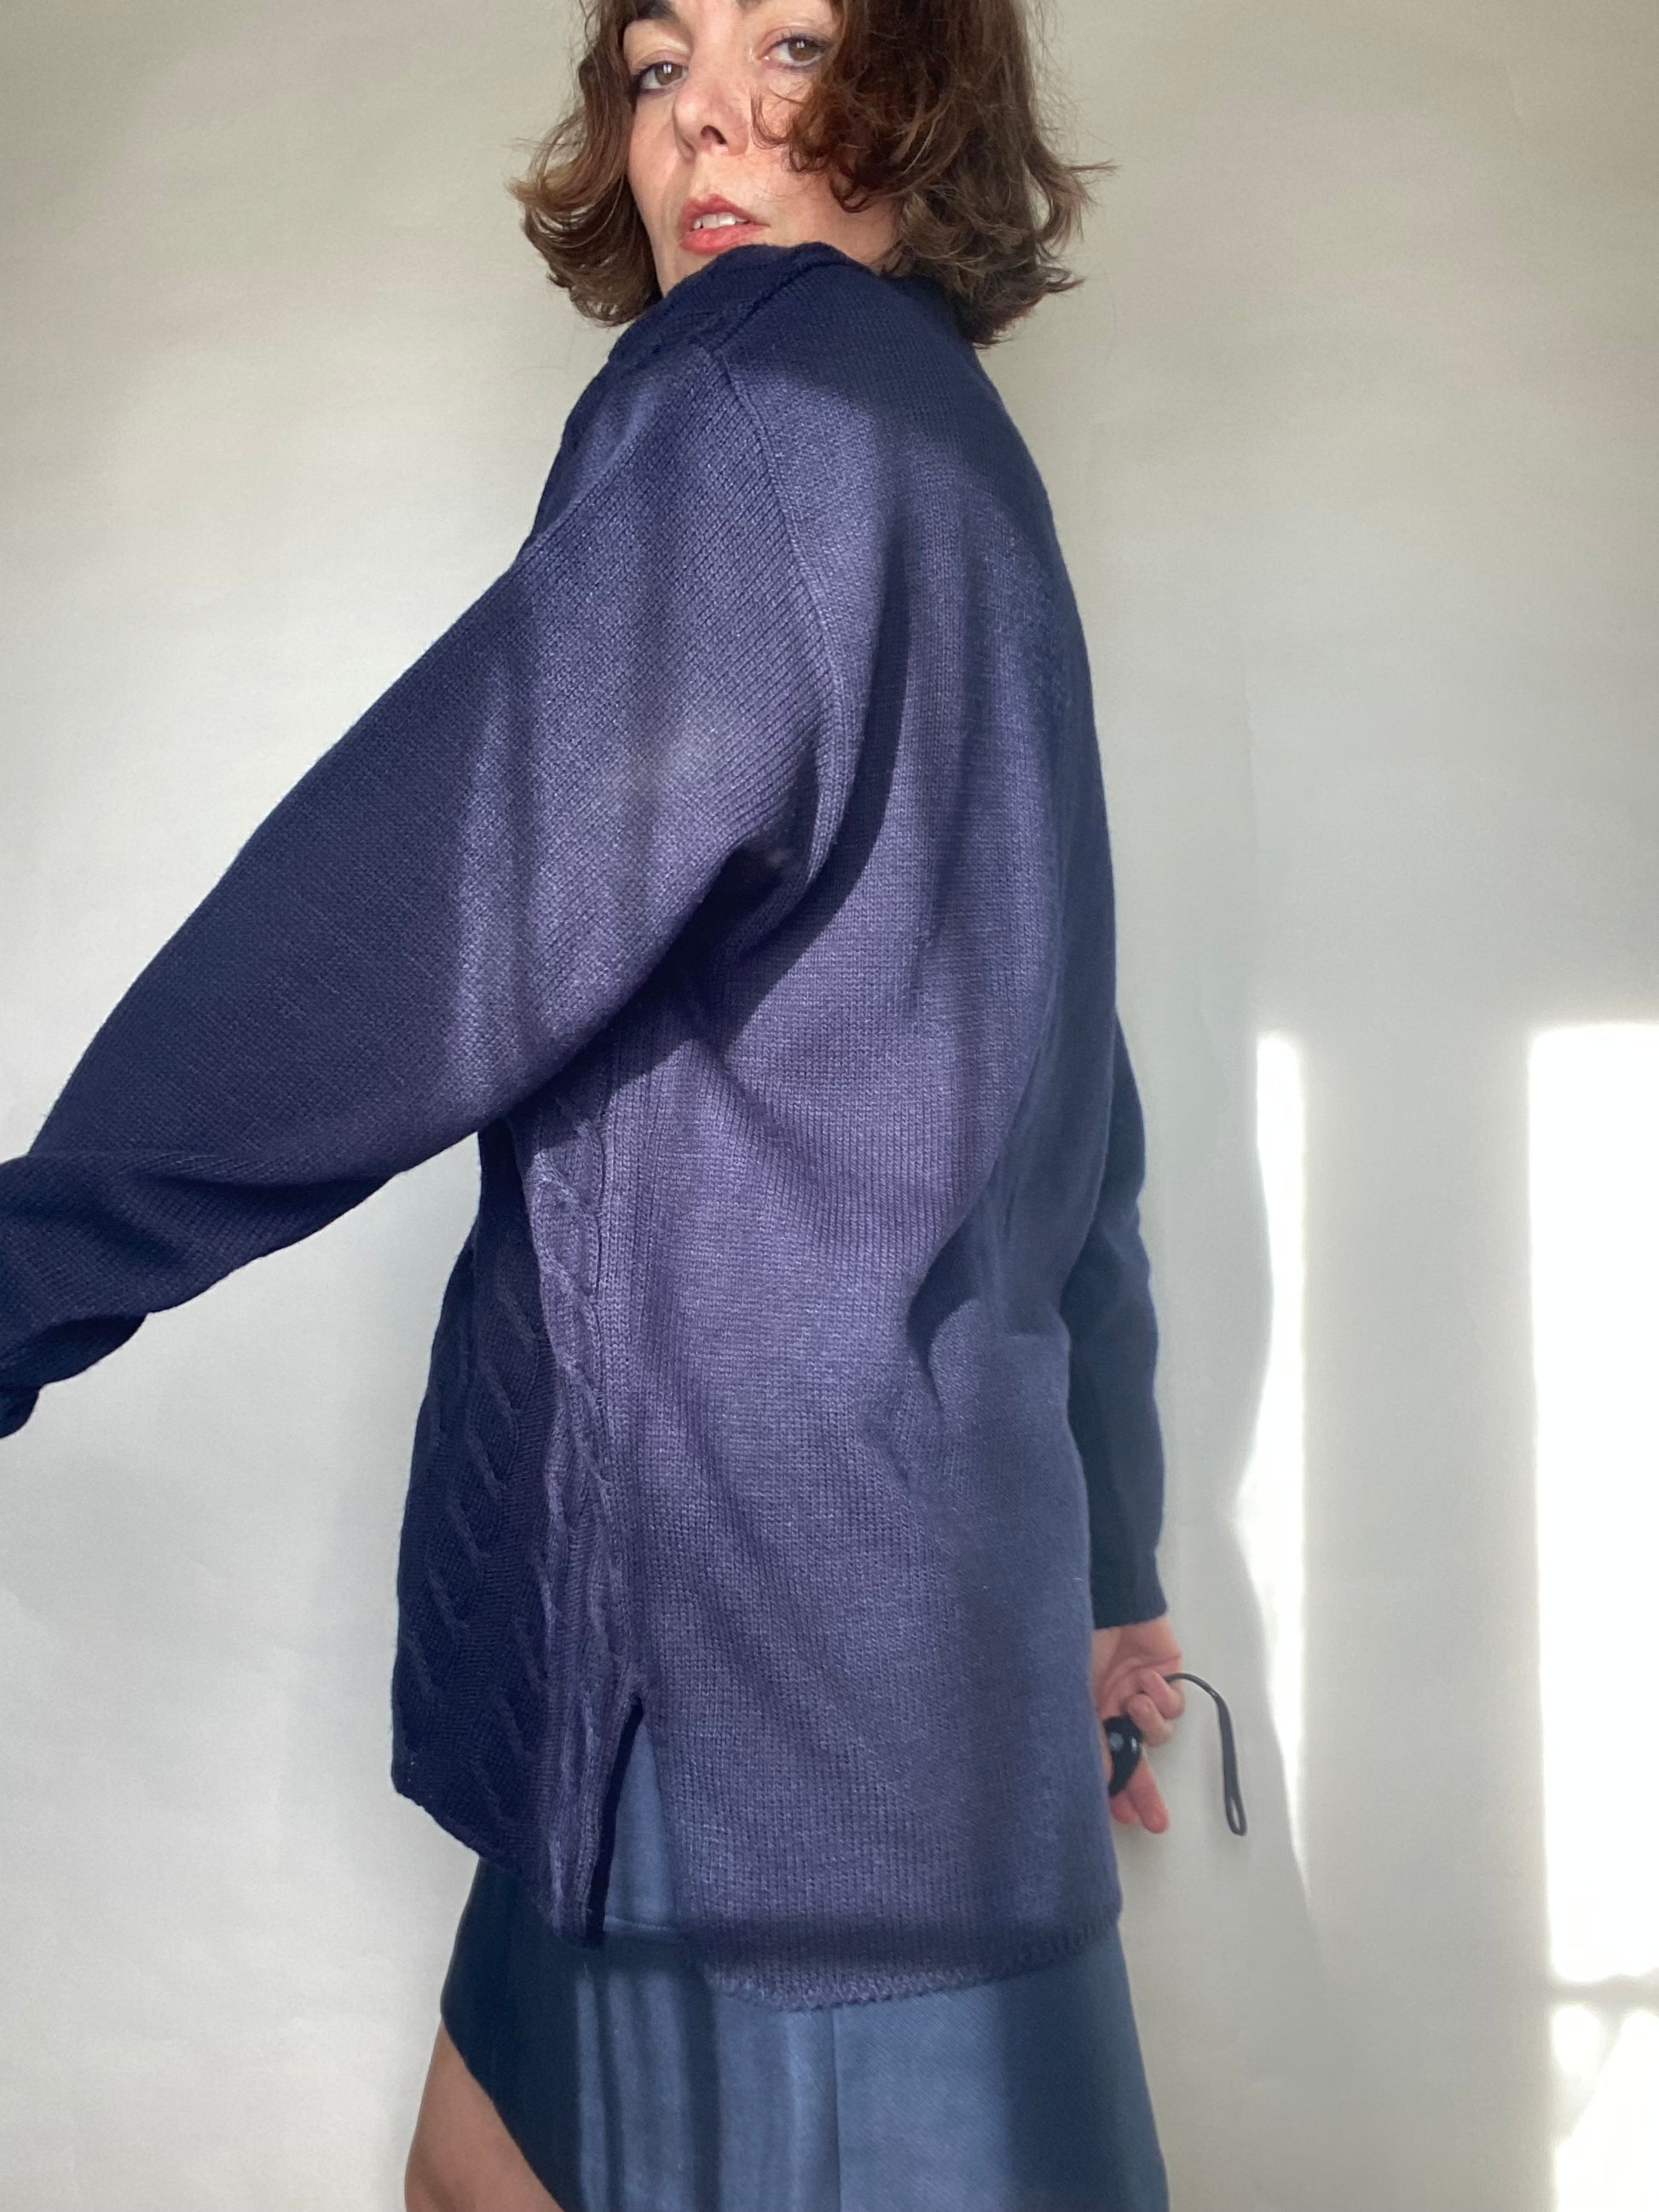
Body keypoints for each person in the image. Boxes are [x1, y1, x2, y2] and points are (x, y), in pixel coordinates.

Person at [0, 0, 1192, 2204]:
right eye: (658, 65)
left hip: (746, 1698)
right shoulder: (954, 466)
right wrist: (1111, 1556)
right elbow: (1077, 1112)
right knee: (477, 2172)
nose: (708, 120)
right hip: (871, 1659)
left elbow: (416, 919)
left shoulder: (760, 405)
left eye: (795, 44)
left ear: (924, 97)